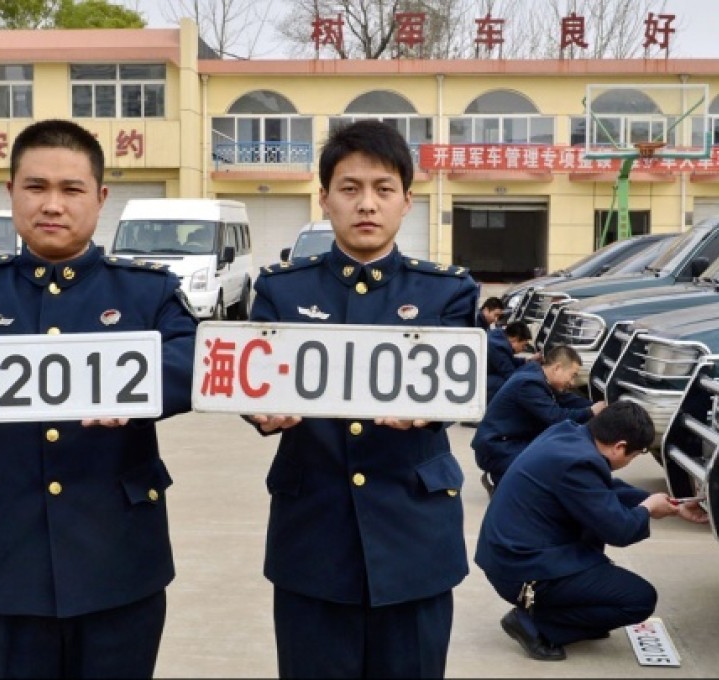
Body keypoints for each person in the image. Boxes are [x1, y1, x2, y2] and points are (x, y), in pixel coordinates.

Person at [0, 119, 198, 678]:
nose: (52, 205)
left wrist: (132, 387)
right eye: (36, 187)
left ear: (100, 198)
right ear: (11, 193)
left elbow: (197, 360)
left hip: (117, 556)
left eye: (71, 190)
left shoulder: (146, 292)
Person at [247, 119, 478, 679]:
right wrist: (256, 411)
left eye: (383, 189)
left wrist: (436, 409)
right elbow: (249, 379)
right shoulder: (282, 290)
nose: (366, 204)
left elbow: (469, 381)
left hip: (414, 537)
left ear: (406, 201)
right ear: (324, 199)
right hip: (313, 537)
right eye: (349, 189)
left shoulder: (447, 291)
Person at [474, 401, 708, 661]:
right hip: (521, 570)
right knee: (639, 599)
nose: (630, 461)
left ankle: (576, 616)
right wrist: (646, 509)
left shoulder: (568, 435)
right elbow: (620, 530)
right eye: (633, 455)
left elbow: (602, 488)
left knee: (600, 563)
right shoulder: (579, 463)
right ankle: (535, 625)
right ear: (619, 447)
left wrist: (668, 505)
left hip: (512, 554)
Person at [473, 344, 606, 496]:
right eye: (573, 375)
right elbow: (555, 417)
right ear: (557, 368)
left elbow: (567, 400)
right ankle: (499, 477)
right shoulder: (529, 384)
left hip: (507, 442)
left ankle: (509, 476)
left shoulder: (538, 375)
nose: (573, 382)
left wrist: (597, 407)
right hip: (497, 449)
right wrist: (590, 412)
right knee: (546, 465)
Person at [485, 319, 539, 404]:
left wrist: (527, 360)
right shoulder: (498, 347)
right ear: (515, 339)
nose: (523, 349)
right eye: (523, 345)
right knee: (504, 384)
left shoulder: (497, 336)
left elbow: (507, 360)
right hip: (478, 384)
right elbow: (511, 376)